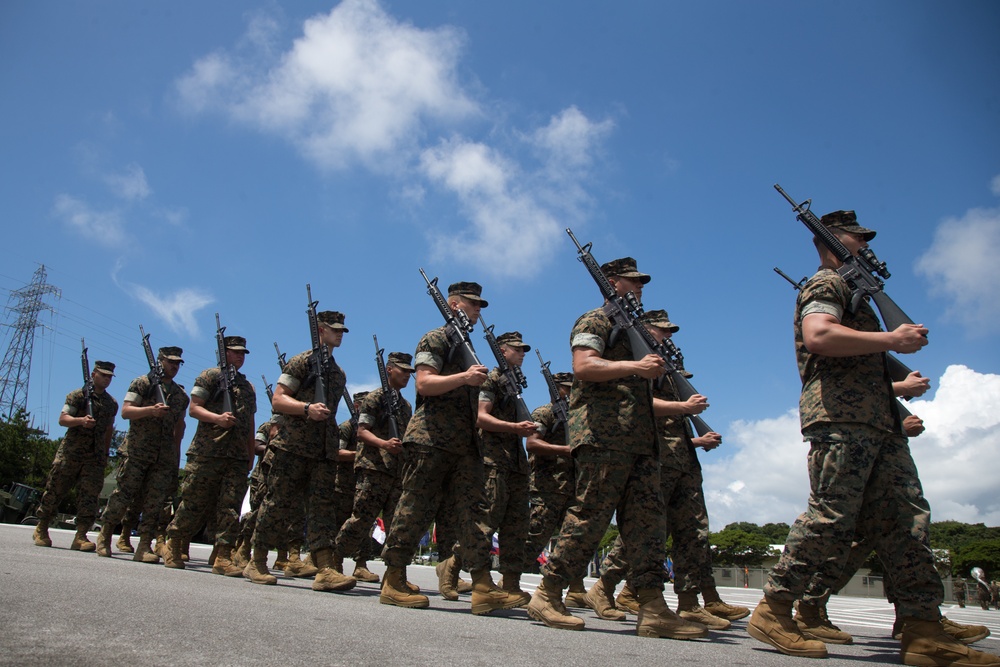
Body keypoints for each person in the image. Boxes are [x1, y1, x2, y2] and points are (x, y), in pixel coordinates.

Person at [747, 209, 1000, 666]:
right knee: (831, 517)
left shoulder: (857, 297)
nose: (866, 245)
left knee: (907, 520)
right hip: (841, 420)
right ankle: (774, 608)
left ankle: (924, 629)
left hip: (878, 422)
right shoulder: (827, 284)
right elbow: (818, 334)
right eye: (856, 239)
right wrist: (891, 339)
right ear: (832, 244)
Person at [526, 257, 706, 639]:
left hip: (641, 441)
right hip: (603, 436)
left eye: (641, 282)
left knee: (648, 524)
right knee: (589, 516)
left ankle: (653, 607)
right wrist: (636, 367)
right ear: (611, 282)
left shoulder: (636, 332)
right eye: (631, 281)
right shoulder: (595, 321)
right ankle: (547, 593)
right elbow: (584, 366)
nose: (639, 287)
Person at [587, 309, 747, 630]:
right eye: (661, 330)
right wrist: (684, 407)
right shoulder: (639, 362)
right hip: (656, 458)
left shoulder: (663, 365)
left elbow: (673, 419)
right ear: (643, 330)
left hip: (681, 457)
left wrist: (697, 439)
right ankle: (603, 588)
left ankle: (692, 602)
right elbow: (638, 404)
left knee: (693, 531)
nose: (667, 336)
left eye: (669, 331)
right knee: (647, 532)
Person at [379, 281, 525, 615]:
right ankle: (393, 578)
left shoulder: (465, 345)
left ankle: (483, 585)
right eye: (473, 304)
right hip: (431, 439)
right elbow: (424, 383)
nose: (478, 310)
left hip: (464, 444)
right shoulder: (436, 338)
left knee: (473, 514)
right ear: (455, 305)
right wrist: (464, 378)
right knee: (415, 507)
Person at [245, 311, 355, 593]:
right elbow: (278, 399)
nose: (340, 333)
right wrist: (306, 409)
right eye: (334, 329)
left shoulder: (338, 373)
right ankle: (256, 560)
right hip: (293, 446)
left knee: (322, 509)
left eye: (342, 329)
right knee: (277, 502)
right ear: (320, 330)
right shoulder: (300, 362)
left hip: (322, 450)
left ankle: (325, 568)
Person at [164, 336, 256, 576]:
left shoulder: (247, 386)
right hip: (208, 451)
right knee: (194, 501)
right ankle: (173, 544)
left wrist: (249, 453)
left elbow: (250, 423)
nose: (240, 356)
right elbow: (194, 408)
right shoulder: (209, 376)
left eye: (243, 353)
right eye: (235, 352)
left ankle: (223, 556)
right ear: (223, 353)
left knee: (230, 507)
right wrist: (217, 419)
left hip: (236, 456)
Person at [97, 346, 188, 562]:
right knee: (123, 495)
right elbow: (126, 411)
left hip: (162, 456)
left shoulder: (180, 396)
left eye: (177, 363)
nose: (174, 366)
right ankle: (105, 534)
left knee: (154, 503)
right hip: (137, 452)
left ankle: (144, 546)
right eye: (170, 362)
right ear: (160, 361)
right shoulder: (142, 383)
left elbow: (179, 427)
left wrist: (175, 455)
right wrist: (150, 410)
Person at [335, 353, 415, 586]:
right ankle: (334, 560)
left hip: (396, 473)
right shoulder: (375, 398)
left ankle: (395, 576)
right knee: (361, 519)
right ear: (389, 370)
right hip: (373, 469)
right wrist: (384, 444)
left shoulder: (405, 405)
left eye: (410, 372)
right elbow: (361, 431)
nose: (407, 376)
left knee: (396, 526)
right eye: (402, 370)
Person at [477, 331, 539, 604]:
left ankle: (511, 583)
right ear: (503, 351)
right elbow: (481, 417)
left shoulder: (513, 381)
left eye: (523, 349)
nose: (522, 352)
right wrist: (515, 428)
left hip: (516, 463)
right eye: (517, 349)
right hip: (493, 460)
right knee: (486, 521)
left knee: (517, 526)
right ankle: (455, 568)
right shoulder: (492, 379)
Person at [33, 360, 118, 551]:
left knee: (89, 496)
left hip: (94, 457)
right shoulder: (77, 396)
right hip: (71, 453)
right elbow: (63, 419)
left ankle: (80, 536)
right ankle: (42, 527)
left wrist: (104, 454)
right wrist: (80, 421)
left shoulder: (110, 403)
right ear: (93, 374)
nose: (106, 379)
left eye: (109, 377)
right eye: (103, 375)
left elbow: (108, 430)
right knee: (55, 489)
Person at [522, 372, 589, 608]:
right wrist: (565, 449)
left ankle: (577, 588)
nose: (573, 394)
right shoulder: (545, 412)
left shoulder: (578, 416)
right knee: (535, 536)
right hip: (548, 486)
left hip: (574, 486)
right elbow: (531, 443)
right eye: (568, 389)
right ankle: (510, 581)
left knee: (575, 539)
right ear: (558, 389)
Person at [333, 391, 376, 581]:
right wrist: (358, 453)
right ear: (357, 406)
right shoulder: (346, 427)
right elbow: (338, 452)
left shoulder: (372, 429)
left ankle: (361, 564)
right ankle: (335, 562)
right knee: (340, 523)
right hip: (343, 484)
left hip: (363, 481)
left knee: (363, 522)